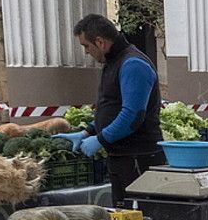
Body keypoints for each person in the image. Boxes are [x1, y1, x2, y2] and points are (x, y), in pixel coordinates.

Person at [58, 15, 164, 204]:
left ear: (100, 42)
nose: (86, 52)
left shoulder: (133, 64)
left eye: (86, 46)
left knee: (140, 218)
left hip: (138, 159)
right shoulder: (114, 62)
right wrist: (87, 131)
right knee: (125, 217)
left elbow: (132, 116)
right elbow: (112, 106)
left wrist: (100, 139)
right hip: (122, 159)